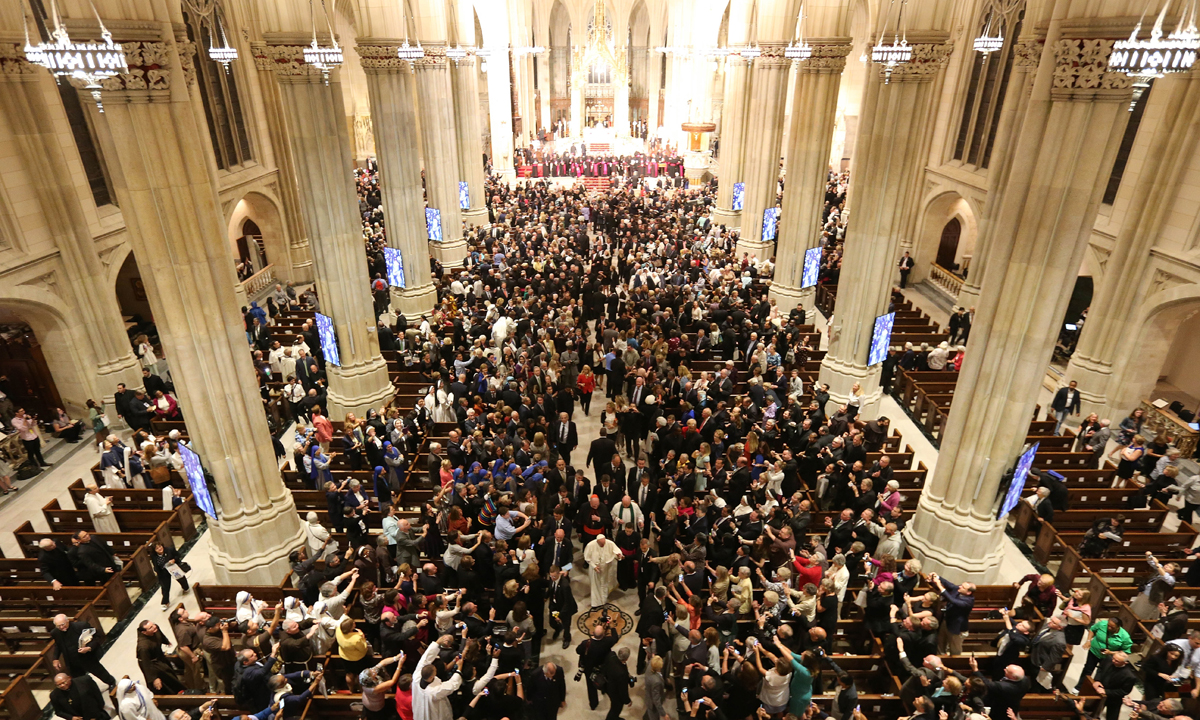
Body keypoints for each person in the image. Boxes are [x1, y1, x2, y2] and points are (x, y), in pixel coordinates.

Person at [51, 614, 117, 688]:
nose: (61, 627)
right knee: (80, 680)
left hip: (86, 656)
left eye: (63, 624)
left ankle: (111, 682)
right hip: (72, 661)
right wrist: (55, 658)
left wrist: (89, 647)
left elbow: (97, 636)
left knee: (99, 671)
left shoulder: (81, 626)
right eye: (58, 626)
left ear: (67, 621)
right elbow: (58, 645)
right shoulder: (55, 633)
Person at [412, 638, 462, 720]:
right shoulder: (434, 691)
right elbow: (452, 685)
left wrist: (437, 643)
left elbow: (425, 659)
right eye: (435, 671)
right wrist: (459, 668)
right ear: (431, 677)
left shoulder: (416, 676)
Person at [584, 534, 622, 608]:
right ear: (597, 541)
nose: (603, 545)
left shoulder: (609, 543)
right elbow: (587, 558)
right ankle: (595, 603)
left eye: (604, 543)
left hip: (606, 568)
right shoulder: (590, 545)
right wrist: (594, 566)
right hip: (595, 569)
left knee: (604, 584)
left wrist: (619, 555)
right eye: (601, 544)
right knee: (595, 586)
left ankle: (603, 601)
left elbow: (617, 552)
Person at [547, 564, 577, 649]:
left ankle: (567, 638)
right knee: (552, 622)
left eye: (554, 576)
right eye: (551, 576)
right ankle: (558, 628)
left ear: (559, 573)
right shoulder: (552, 579)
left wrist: (560, 616)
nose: (552, 578)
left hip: (564, 608)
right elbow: (551, 589)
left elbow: (567, 602)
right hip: (554, 605)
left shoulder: (565, 585)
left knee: (566, 625)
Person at [600, 647, 632, 720]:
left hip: (607, 684)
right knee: (616, 708)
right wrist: (627, 701)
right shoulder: (622, 673)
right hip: (614, 692)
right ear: (627, 658)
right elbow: (623, 690)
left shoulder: (611, 655)